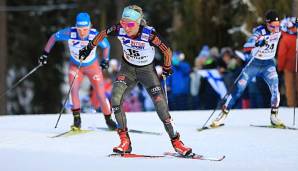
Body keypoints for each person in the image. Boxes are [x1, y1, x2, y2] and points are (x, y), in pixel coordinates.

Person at [79, 5, 192, 156]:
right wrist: (89, 47)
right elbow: (103, 33)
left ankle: (177, 142)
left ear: (139, 23)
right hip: (127, 70)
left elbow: (166, 50)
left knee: (161, 106)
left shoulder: (148, 34)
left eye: (130, 24)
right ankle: (125, 141)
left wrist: (166, 67)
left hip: (147, 72)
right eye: (123, 23)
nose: (126, 28)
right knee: (115, 99)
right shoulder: (118, 29)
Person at [39, 12, 117, 131]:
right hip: (75, 66)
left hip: (93, 67)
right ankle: (77, 120)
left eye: (85, 29)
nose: (82, 32)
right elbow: (54, 37)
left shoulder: (94, 35)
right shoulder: (70, 33)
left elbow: (106, 46)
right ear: (76, 27)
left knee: (101, 94)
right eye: (79, 29)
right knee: (73, 90)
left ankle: (108, 119)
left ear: (89, 27)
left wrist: (105, 60)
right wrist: (45, 54)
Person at [211, 10, 285, 128]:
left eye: (277, 26)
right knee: (239, 88)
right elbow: (246, 46)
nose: (275, 29)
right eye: (272, 26)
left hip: (268, 64)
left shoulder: (279, 28)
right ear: (267, 23)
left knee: (275, 87)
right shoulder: (259, 32)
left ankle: (274, 116)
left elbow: (290, 24)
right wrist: (257, 43)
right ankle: (223, 115)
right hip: (254, 64)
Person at [278, 17, 298, 107]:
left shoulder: (285, 39)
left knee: (290, 87)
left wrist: (280, 67)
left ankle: (292, 105)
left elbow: (282, 55)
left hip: (288, 68)